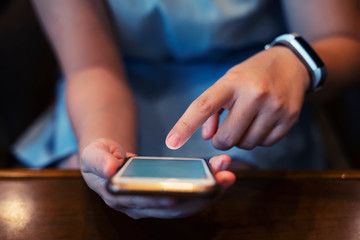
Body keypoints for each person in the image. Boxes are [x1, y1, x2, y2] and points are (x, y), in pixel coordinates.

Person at [14, 0, 360, 218]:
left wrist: (296, 61)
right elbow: (93, 68)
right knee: (83, 204)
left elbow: (344, 39)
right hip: (111, 91)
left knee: (245, 206)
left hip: (256, 87)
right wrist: (108, 154)